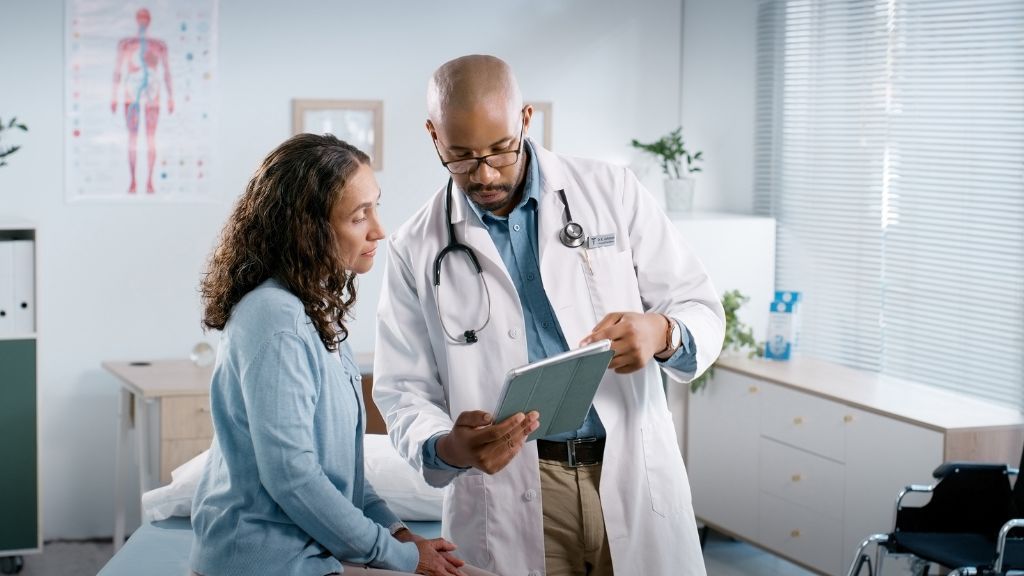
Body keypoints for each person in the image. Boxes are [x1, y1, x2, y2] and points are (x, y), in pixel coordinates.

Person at [373, 55, 726, 576]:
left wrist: (662, 331)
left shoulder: (612, 191)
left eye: (500, 150)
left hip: (625, 471)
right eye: (462, 157)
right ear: (433, 136)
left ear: (526, 120)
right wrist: (447, 446)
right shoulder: (414, 246)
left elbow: (700, 306)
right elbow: (403, 389)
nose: (486, 173)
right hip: (510, 487)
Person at [191, 133, 488, 576]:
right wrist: (401, 556)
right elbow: (293, 476)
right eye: (358, 216)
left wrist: (398, 532)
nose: (378, 230)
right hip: (263, 562)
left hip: (309, 554)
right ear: (308, 229)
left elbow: (341, 474)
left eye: (376, 206)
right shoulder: (275, 318)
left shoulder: (316, 312)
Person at [110, 8, 174, 194]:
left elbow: (167, 72)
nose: (143, 20)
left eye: (146, 17)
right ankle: (133, 181)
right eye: (141, 17)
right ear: (137, 19)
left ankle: (149, 181)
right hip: (132, 96)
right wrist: (114, 96)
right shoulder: (126, 45)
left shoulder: (159, 46)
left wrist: (170, 97)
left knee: (151, 138)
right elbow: (118, 71)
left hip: (153, 96)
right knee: (133, 139)